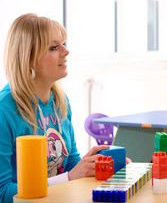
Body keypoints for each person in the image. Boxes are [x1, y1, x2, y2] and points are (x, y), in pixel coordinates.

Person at [0, 13, 130, 203]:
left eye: (63, 44)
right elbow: (3, 192)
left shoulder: (60, 101)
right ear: (28, 58)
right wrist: (68, 178)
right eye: (54, 47)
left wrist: (96, 165)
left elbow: (69, 163)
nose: (65, 51)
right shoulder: (5, 110)